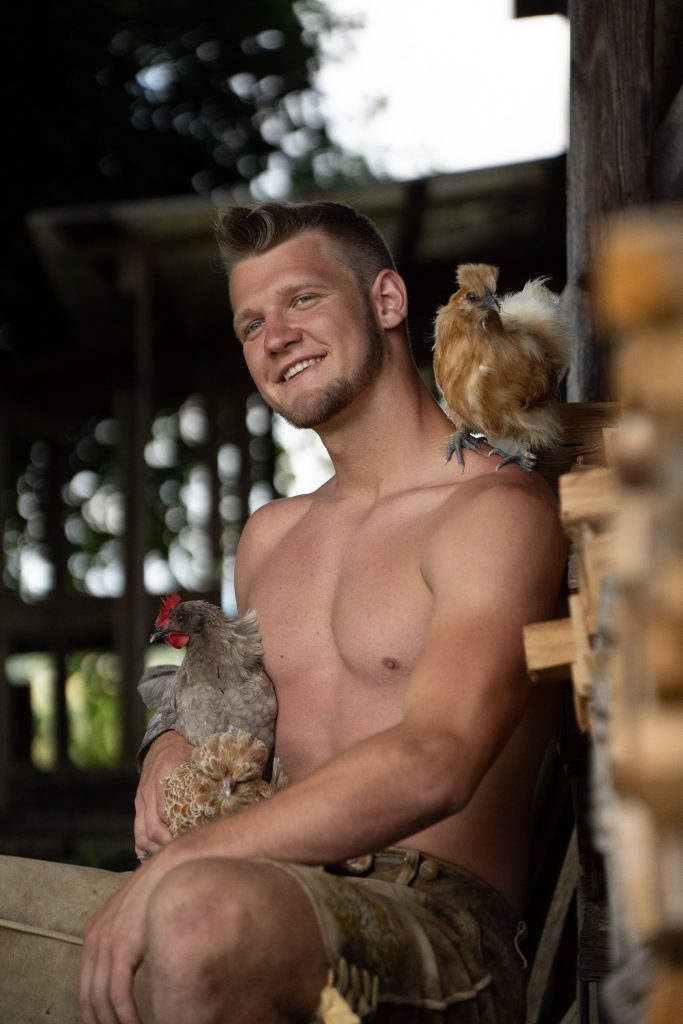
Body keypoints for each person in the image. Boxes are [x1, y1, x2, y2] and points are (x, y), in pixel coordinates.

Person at [78, 200, 567, 1024]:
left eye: (302, 299)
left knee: (196, 917)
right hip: (263, 888)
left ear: (386, 301)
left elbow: (437, 759)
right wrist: (168, 746)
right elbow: (232, 711)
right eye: (250, 324)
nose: (275, 336)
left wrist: (185, 862)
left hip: (434, 940)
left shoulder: (492, 514)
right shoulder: (270, 539)